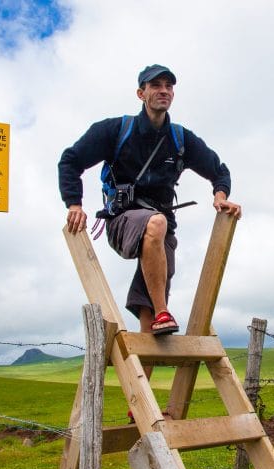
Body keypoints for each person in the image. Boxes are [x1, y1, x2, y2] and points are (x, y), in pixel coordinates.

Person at [58, 64, 241, 339]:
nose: (163, 91)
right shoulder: (115, 130)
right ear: (141, 93)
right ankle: (163, 311)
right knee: (155, 224)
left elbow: (219, 170)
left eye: (169, 86)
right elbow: (70, 160)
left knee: (153, 328)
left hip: (163, 230)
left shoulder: (181, 139)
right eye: (156, 85)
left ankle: (148, 356)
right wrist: (74, 204)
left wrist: (220, 196)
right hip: (122, 220)